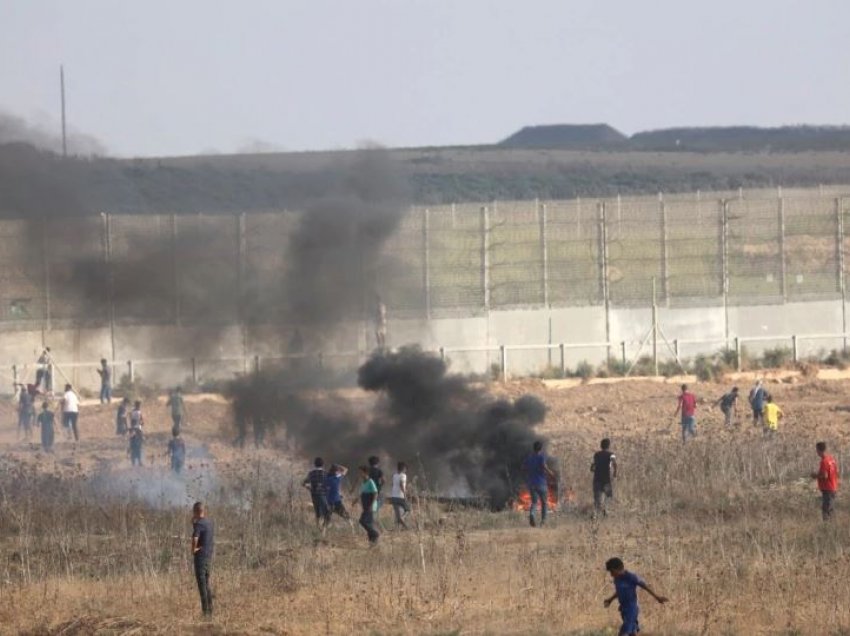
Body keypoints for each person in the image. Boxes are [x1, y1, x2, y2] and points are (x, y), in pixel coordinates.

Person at [604, 558, 668, 636]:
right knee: (632, 633)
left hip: (632, 609)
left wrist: (657, 597)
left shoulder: (631, 577)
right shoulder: (617, 579)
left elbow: (645, 587)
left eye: (612, 572)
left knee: (623, 633)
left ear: (618, 569)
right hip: (623, 609)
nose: (611, 575)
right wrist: (610, 600)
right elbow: (619, 591)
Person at [524, 440, 556, 527]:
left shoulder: (529, 458)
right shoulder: (541, 457)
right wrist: (551, 473)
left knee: (534, 502)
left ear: (533, 448)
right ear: (541, 449)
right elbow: (544, 466)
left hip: (531, 483)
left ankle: (532, 514)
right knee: (544, 503)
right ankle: (543, 522)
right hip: (541, 483)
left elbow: (524, 468)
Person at [191, 502, 214, 618]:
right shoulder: (209, 523)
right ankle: (210, 610)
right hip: (208, 556)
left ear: (196, 511)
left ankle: (205, 613)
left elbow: (196, 538)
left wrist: (193, 549)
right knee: (206, 584)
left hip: (200, 557)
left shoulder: (199, 524)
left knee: (202, 585)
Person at [810, 442, 839, 521]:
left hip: (828, 489)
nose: (816, 452)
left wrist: (815, 476)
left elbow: (824, 476)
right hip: (833, 486)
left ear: (819, 450)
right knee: (830, 509)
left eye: (816, 450)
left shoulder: (824, 461)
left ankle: (827, 528)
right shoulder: (831, 459)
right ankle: (833, 528)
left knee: (826, 510)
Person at [591, 438, 618, 518]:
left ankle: (595, 514)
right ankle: (605, 510)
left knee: (597, 498)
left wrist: (594, 469)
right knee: (608, 495)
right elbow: (615, 464)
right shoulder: (611, 454)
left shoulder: (596, 454)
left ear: (601, 445)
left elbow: (593, 467)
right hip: (606, 479)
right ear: (608, 446)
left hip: (597, 479)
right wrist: (615, 475)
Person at [302, 457, 330, 530]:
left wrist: (310, 489)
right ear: (323, 464)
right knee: (327, 511)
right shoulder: (325, 473)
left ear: (314, 464)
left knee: (317, 511)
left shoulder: (311, 473)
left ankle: (318, 528)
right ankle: (324, 529)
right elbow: (329, 485)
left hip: (314, 495)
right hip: (323, 495)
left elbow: (303, 483)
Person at [358, 465, 380, 544]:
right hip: (365, 505)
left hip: (370, 506)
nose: (360, 474)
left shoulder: (370, 481)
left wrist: (371, 504)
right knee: (369, 523)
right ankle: (373, 543)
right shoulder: (364, 482)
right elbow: (362, 493)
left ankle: (375, 534)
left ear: (365, 473)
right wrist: (355, 500)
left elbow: (375, 493)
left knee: (362, 521)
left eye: (361, 472)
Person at [390, 462, 411, 529]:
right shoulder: (403, 475)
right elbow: (401, 485)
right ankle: (403, 518)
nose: (406, 470)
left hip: (393, 496)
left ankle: (406, 528)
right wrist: (405, 494)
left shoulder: (394, 475)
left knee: (398, 515)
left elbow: (392, 485)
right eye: (405, 469)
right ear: (403, 468)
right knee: (408, 510)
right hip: (400, 496)